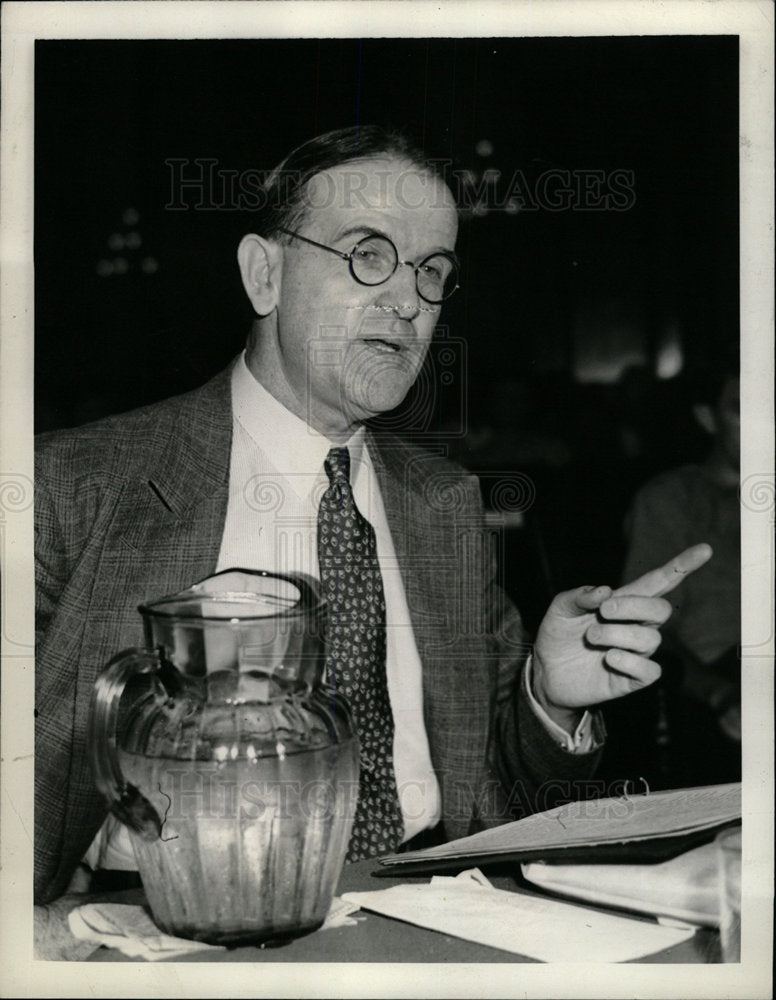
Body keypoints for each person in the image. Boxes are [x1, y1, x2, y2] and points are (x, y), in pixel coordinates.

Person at [34, 125, 711, 957]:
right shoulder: (75, 486)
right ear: (264, 273)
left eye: (432, 271)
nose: (409, 301)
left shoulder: (444, 502)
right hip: (170, 929)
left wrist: (548, 696)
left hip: (438, 914)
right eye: (367, 254)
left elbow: (500, 792)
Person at [622, 362, 740, 785]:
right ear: (708, 418)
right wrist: (720, 694)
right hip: (712, 693)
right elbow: (651, 631)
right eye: (743, 409)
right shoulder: (672, 499)